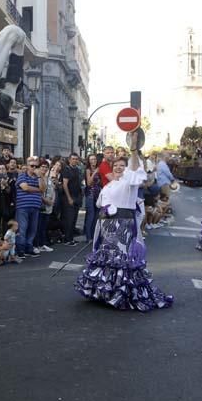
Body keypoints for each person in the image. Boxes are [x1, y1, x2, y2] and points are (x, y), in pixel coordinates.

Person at [74, 132, 173, 311]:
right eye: (116, 165)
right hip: (106, 225)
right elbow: (99, 202)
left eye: (122, 165)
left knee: (121, 259)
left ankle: (121, 293)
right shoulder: (109, 185)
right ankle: (104, 292)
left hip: (123, 226)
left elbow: (135, 169)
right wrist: (105, 209)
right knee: (107, 258)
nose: (119, 167)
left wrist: (134, 149)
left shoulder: (130, 183)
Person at [15, 157, 42, 258]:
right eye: (32, 166)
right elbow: (25, 187)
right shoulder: (22, 176)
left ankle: (29, 247)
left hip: (35, 206)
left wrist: (39, 177)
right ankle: (20, 249)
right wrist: (37, 189)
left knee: (32, 229)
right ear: (27, 166)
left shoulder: (38, 177)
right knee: (22, 228)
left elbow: (43, 188)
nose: (34, 168)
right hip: (23, 206)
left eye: (36, 166)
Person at [61, 153, 83, 246]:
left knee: (74, 219)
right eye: (73, 159)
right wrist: (69, 197)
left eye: (76, 159)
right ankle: (67, 239)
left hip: (77, 196)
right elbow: (65, 184)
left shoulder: (77, 169)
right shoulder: (66, 169)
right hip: (69, 197)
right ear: (69, 160)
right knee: (69, 219)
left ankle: (71, 238)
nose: (75, 160)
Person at [34, 162, 55, 252]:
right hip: (41, 205)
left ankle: (42, 244)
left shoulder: (49, 179)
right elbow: (39, 192)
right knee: (37, 227)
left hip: (48, 206)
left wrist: (52, 201)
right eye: (42, 167)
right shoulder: (37, 178)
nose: (44, 169)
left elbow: (53, 190)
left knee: (44, 227)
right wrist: (45, 200)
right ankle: (36, 245)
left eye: (46, 167)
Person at [82, 154, 101, 243]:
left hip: (98, 195)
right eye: (91, 159)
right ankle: (88, 237)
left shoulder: (99, 168)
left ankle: (94, 235)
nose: (93, 161)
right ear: (89, 161)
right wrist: (94, 173)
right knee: (91, 215)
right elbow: (89, 183)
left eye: (94, 159)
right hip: (90, 194)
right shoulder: (88, 170)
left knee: (97, 216)